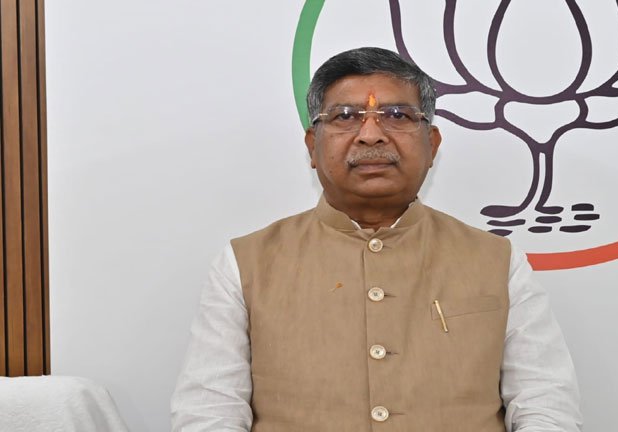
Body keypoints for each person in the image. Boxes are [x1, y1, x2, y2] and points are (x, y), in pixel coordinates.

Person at [171, 47, 582, 432]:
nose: (371, 135)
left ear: (432, 144)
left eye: (397, 115)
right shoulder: (245, 265)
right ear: (312, 146)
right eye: (345, 116)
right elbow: (209, 414)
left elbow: (546, 405)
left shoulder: (498, 261)